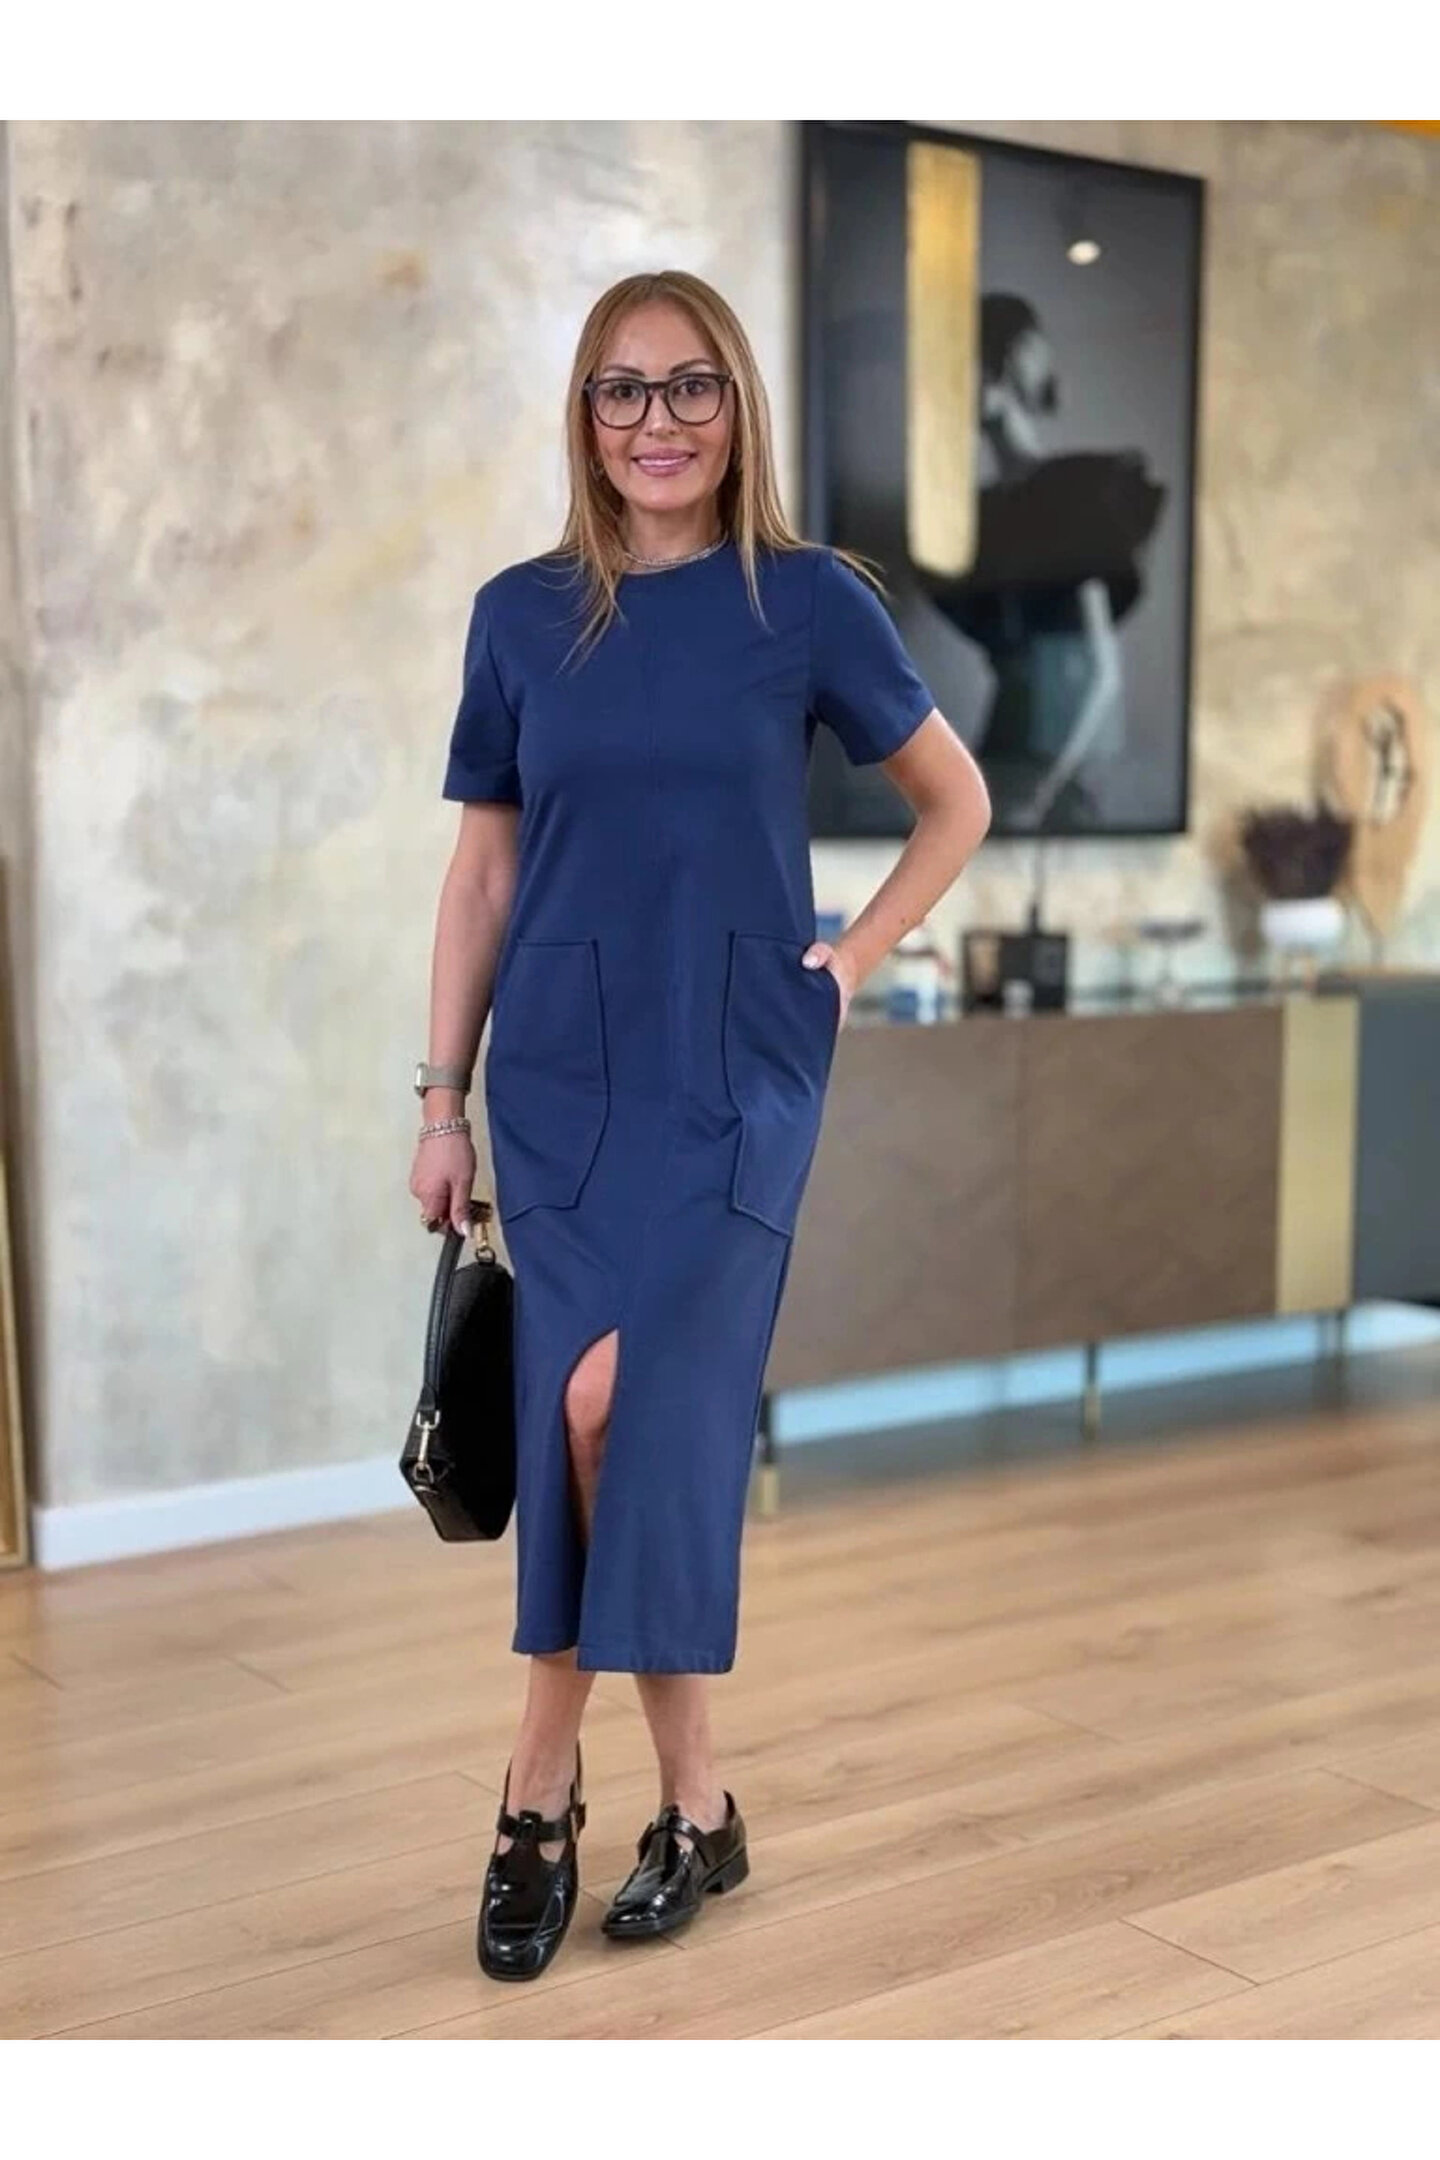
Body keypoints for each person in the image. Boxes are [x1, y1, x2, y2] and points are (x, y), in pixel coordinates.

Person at [409, 268, 991, 1982]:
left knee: (618, 1404)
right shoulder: (520, 619)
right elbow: (483, 874)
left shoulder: (805, 602)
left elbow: (955, 801)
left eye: (689, 387)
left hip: (738, 1065)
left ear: (738, 406)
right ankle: (698, 1807)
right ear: (584, 417)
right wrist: (440, 1100)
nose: (655, 420)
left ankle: (533, 1787)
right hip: (562, 1076)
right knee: (601, 1426)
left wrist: (852, 960)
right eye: (621, 388)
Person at [917, 291, 1166, 832]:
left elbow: (1103, 674)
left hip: (1056, 767)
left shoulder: (1074, 493)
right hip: (1000, 748)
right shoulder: (979, 518)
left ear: (998, 369)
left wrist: (1042, 790)